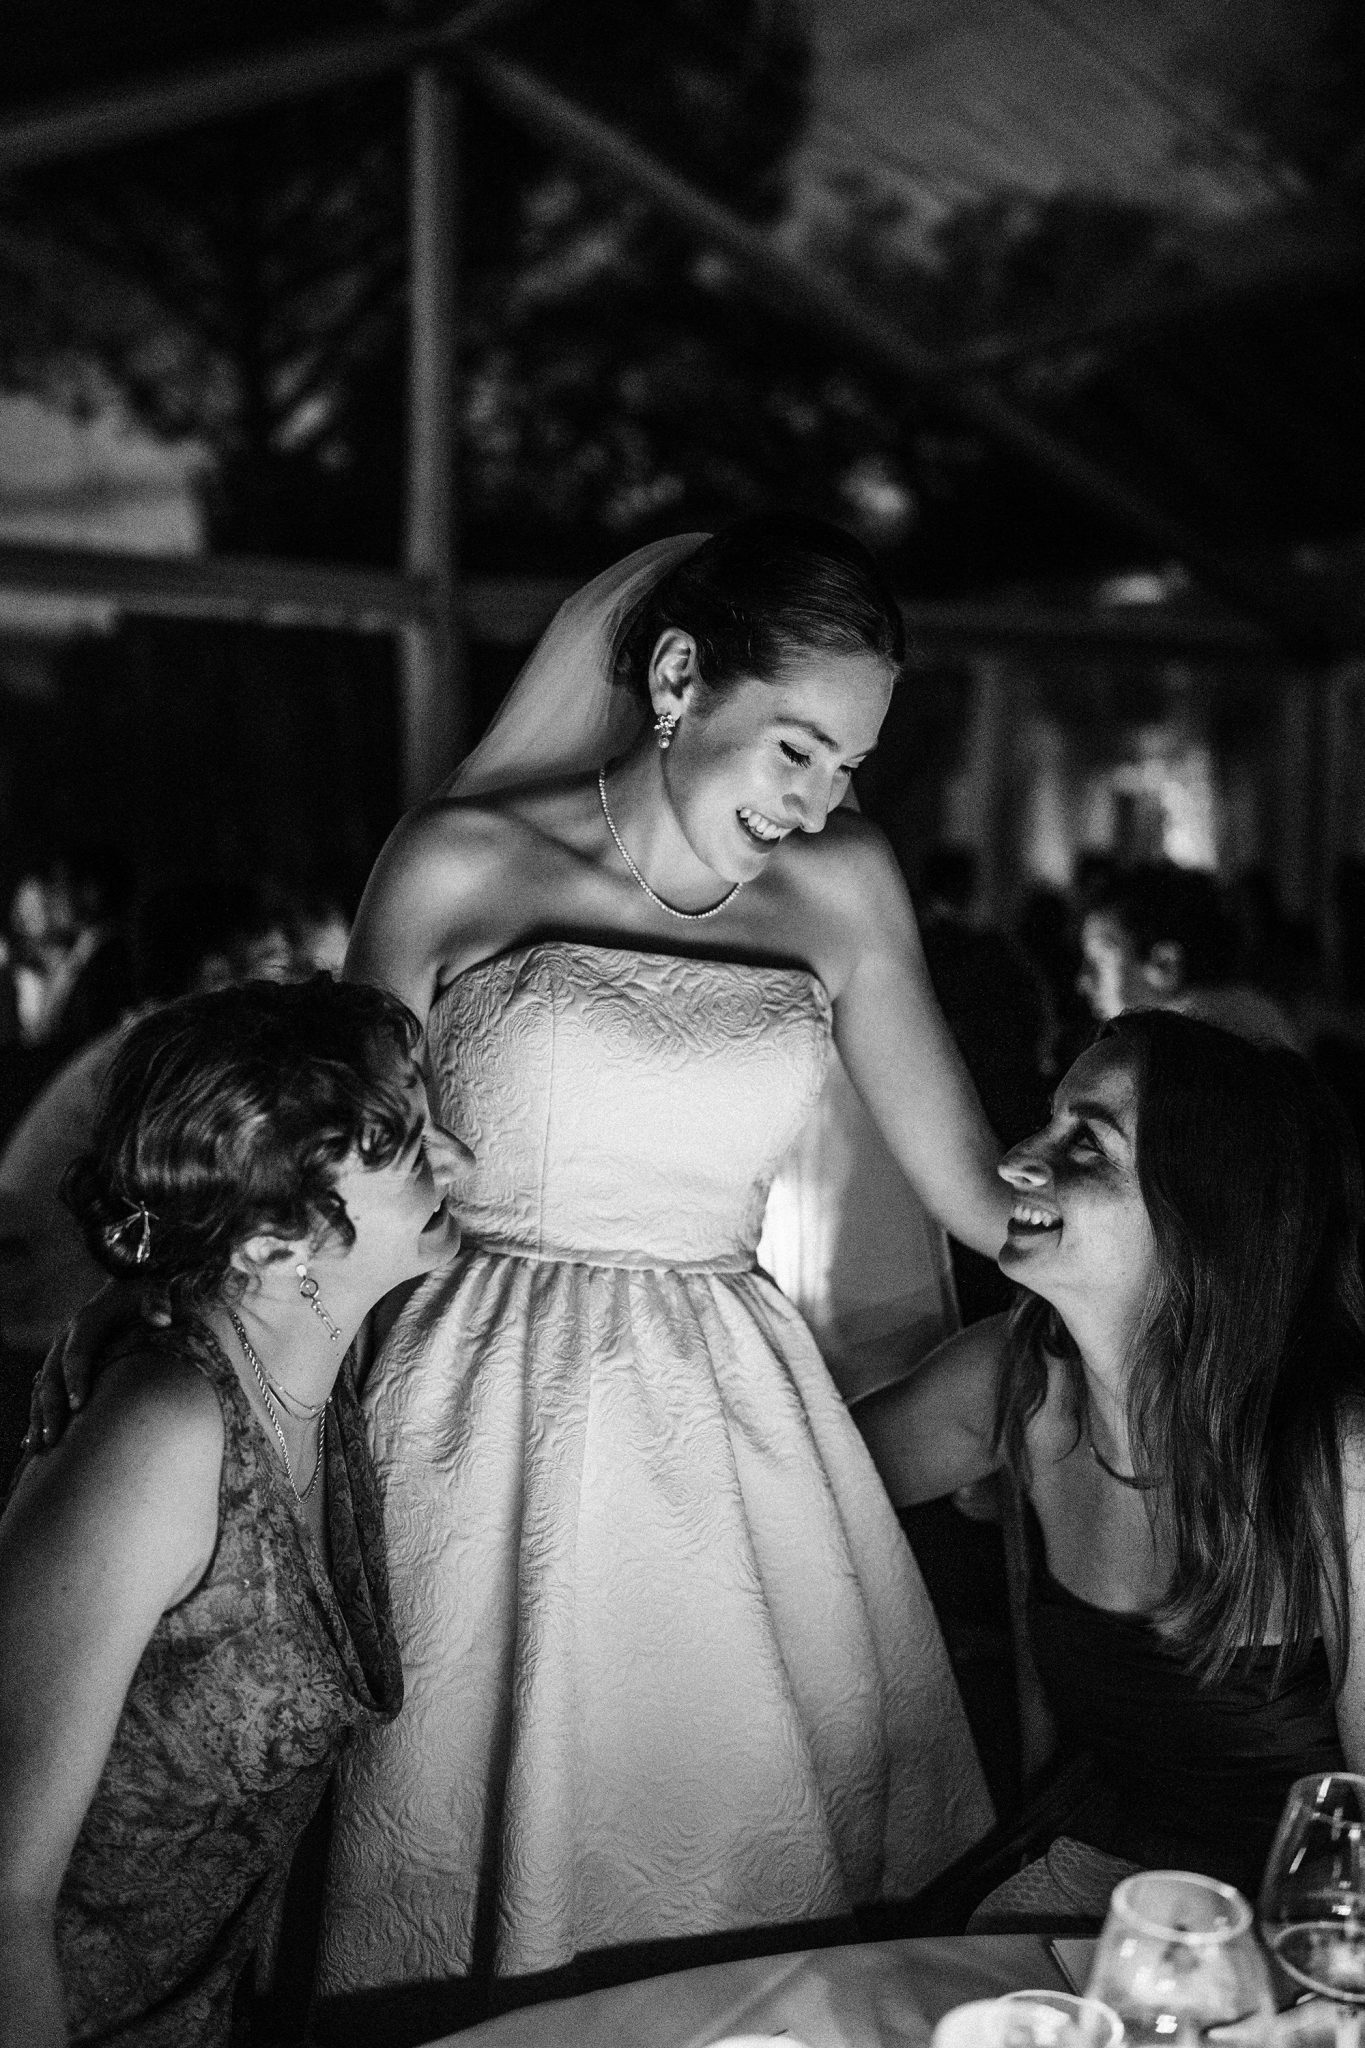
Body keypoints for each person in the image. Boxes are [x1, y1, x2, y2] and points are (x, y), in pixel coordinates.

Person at [308, 513, 1009, 2025]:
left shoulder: (847, 890)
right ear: (681, 675)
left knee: (734, 1871)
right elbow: (344, 1175)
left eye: (851, 771)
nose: (820, 803)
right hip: (464, 1411)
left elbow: (973, 1195)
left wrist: (1198, 1244)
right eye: (797, 751)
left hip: (728, 1432)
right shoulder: (458, 858)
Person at [0, 975, 466, 2046]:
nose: (451, 1155)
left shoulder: (322, 1377)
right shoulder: (162, 1435)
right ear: (266, 1246)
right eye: (400, 1144)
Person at [856, 1009, 1365, 1923]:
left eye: (1084, 1146)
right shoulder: (1008, 1383)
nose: (1017, 1157)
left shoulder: (1339, 1461)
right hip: (1096, 1885)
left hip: (1305, 1930)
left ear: (1197, 1213)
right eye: (1049, 1121)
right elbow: (781, 1487)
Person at [1077, 859, 1301, 1048]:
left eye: (1100, 960)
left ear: (1165, 964)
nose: (1083, 981)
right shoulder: (1258, 1016)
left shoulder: (1173, 1050)